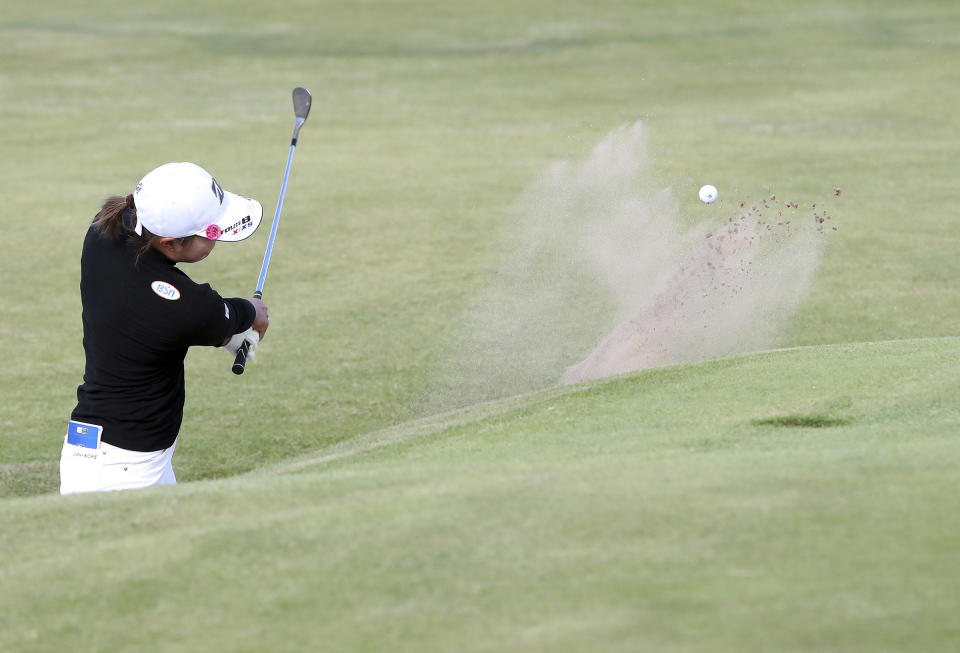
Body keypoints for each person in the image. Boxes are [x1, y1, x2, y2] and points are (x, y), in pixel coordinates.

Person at [61, 162, 269, 495]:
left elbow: (220, 320)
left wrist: (235, 325)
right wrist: (251, 315)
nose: (214, 241)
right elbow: (240, 315)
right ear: (170, 243)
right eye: (210, 234)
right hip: (120, 472)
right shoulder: (190, 307)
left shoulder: (105, 230)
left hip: (119, 453)